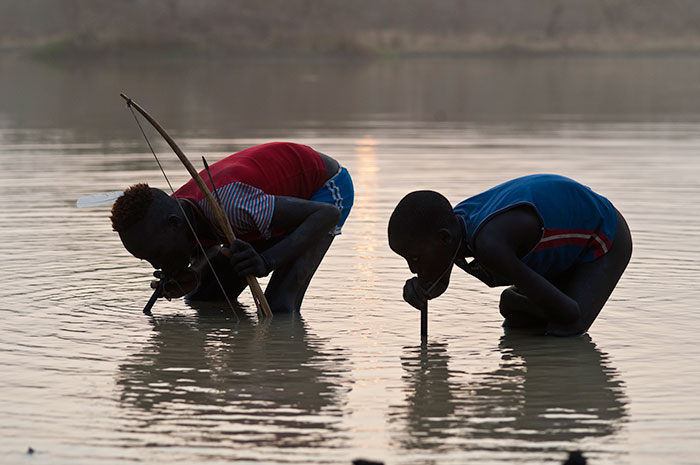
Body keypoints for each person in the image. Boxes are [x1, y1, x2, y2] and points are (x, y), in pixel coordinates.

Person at [111, 142, 353, 313]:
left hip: (323, 192)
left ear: (174, 226)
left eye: (156, 254)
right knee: (203, 299)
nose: (156, 265)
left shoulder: (229, 207)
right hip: (262, 204)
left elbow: (327, 215)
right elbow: (210, 244)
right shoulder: (175, 210)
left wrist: (266, 261)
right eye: (147, 259)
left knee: (278, 306)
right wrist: (195, 274)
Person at [387, 174, 632, 336]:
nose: (411, 269)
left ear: (443, 239)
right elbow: (441, 279)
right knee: (519, 320)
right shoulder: (454, 227)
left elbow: (570, 313)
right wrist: (426, 291)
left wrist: (512, 301)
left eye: (416, 259)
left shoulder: (489, 245)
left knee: (567, 328)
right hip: (560, 249)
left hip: (602, 234)